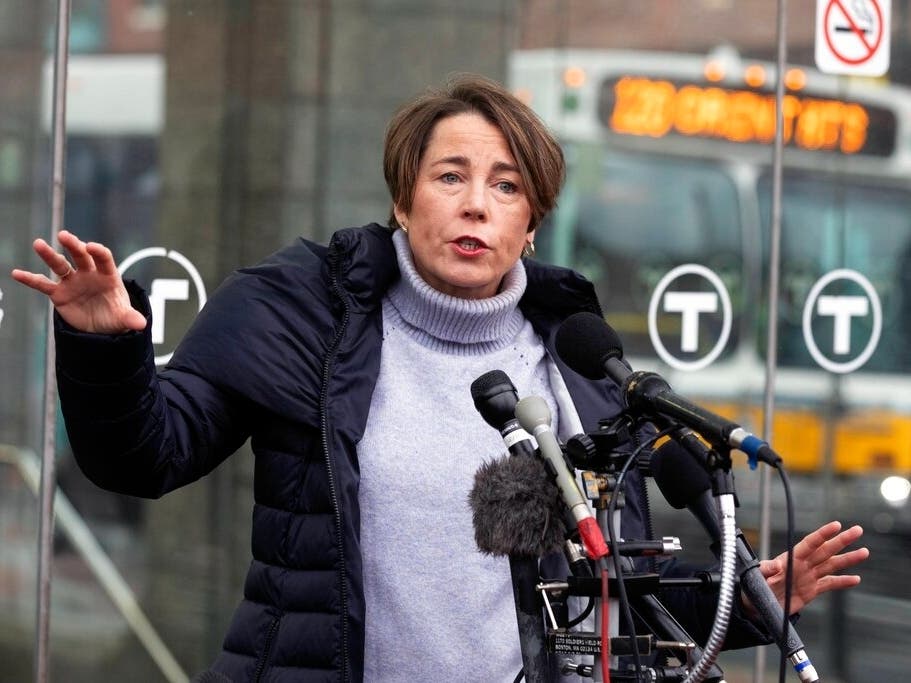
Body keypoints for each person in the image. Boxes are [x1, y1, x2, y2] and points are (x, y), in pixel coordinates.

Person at [12, 74, 868, 682]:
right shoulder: (301, 311)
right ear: (402, 198)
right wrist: (102, 346)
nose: (475, 204)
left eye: (505, 186)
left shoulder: (582, 365)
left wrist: (755, 599)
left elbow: (603, 609)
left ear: (530, 220)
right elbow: (142, 458)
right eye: (449, 176)